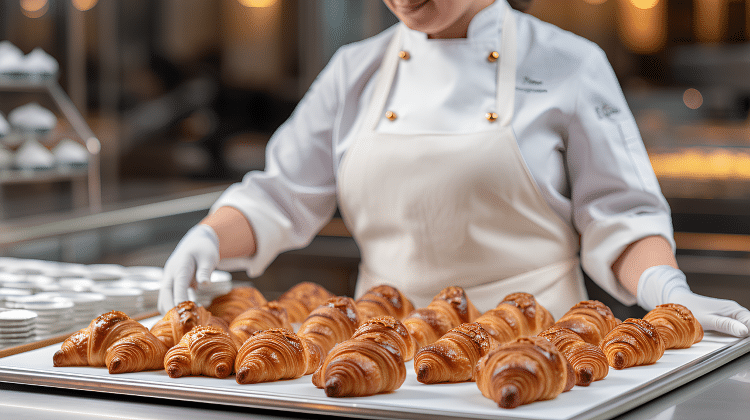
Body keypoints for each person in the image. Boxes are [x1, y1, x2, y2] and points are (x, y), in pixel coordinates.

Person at [159, 0, 750, 336]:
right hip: (383, 358)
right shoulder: (355, 70)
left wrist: (667, 290)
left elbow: (619, 218)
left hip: (536, 351)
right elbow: (280, 196)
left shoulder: (569, 63)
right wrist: (209, 237)